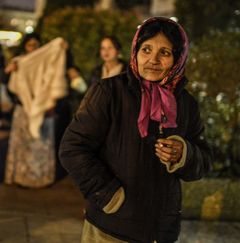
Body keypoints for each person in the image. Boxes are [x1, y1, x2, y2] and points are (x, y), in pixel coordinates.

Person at [59, 17, 212, 243]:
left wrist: (184, 154)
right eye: (146, 49)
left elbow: (204, 160)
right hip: (110, 228)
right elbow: (72, 148)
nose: (152, 60)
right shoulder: (109, 92)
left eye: (165, 53)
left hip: (161, 230)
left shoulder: (186, 104)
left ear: (178, 58)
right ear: (135, 51)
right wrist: (108, 195)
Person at [4, 33, 70, 188]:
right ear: (25, 47)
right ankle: (22, 177)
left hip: (45, 109)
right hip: (23, 110)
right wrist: (9, 72)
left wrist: (62, 48)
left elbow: (57, 74)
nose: (33, 48)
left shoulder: (47, 63)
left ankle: (40, 178)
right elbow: (10, 87)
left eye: (36, 45)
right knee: (24, 146)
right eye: (29, 45)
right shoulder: (19, 62)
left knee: (40, 146)